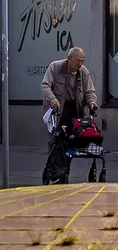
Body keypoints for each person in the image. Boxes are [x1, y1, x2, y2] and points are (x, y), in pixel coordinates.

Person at [41, 48, 99, 182]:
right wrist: (53, 100)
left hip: (75, 110)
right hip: (57, 110)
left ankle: (64, 170)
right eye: (78, 61)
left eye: (82, 61)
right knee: (56, 141)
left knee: (71, 142)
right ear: (69, 58)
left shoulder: (83, 72)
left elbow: (89, 91)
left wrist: (92, 104)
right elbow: (45, 86)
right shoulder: (55, 67)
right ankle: (56, 174)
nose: (80, 64)